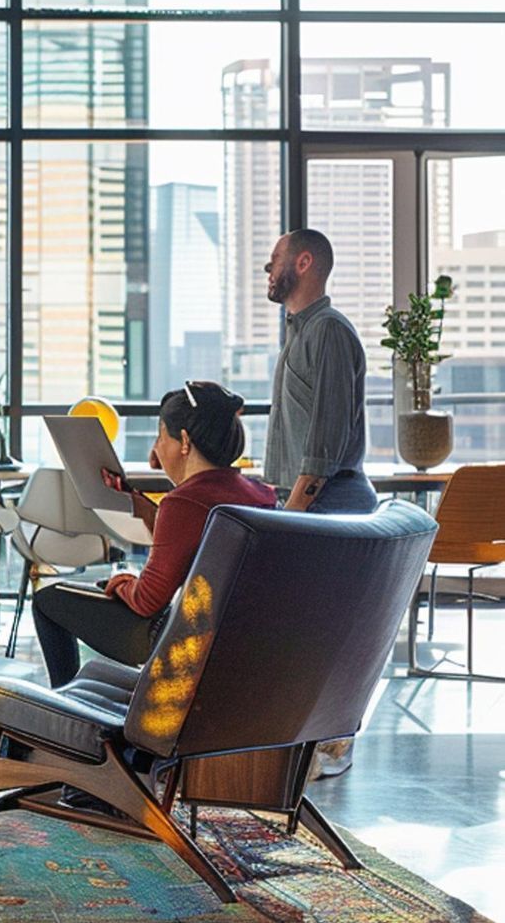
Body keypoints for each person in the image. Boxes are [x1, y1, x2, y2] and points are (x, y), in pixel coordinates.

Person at [31, 382, 277, 688]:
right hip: (236, 645)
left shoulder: (184, 503)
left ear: (184, 441)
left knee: (47, 601)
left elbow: (147, 601)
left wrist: (121, 582)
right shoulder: (262, 495)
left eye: (161, 436)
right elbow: (191, 537)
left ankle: (63, 702)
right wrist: (136, 501)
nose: (155, 452)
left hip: (178, 645)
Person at [263, 228, 378, 514]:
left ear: (303, 263)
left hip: (325, 504)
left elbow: (324, 445)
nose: (268, 268)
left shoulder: (328, 330)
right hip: (308, 504)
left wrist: (291, 515)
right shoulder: (299, 333)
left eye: (275, 259)